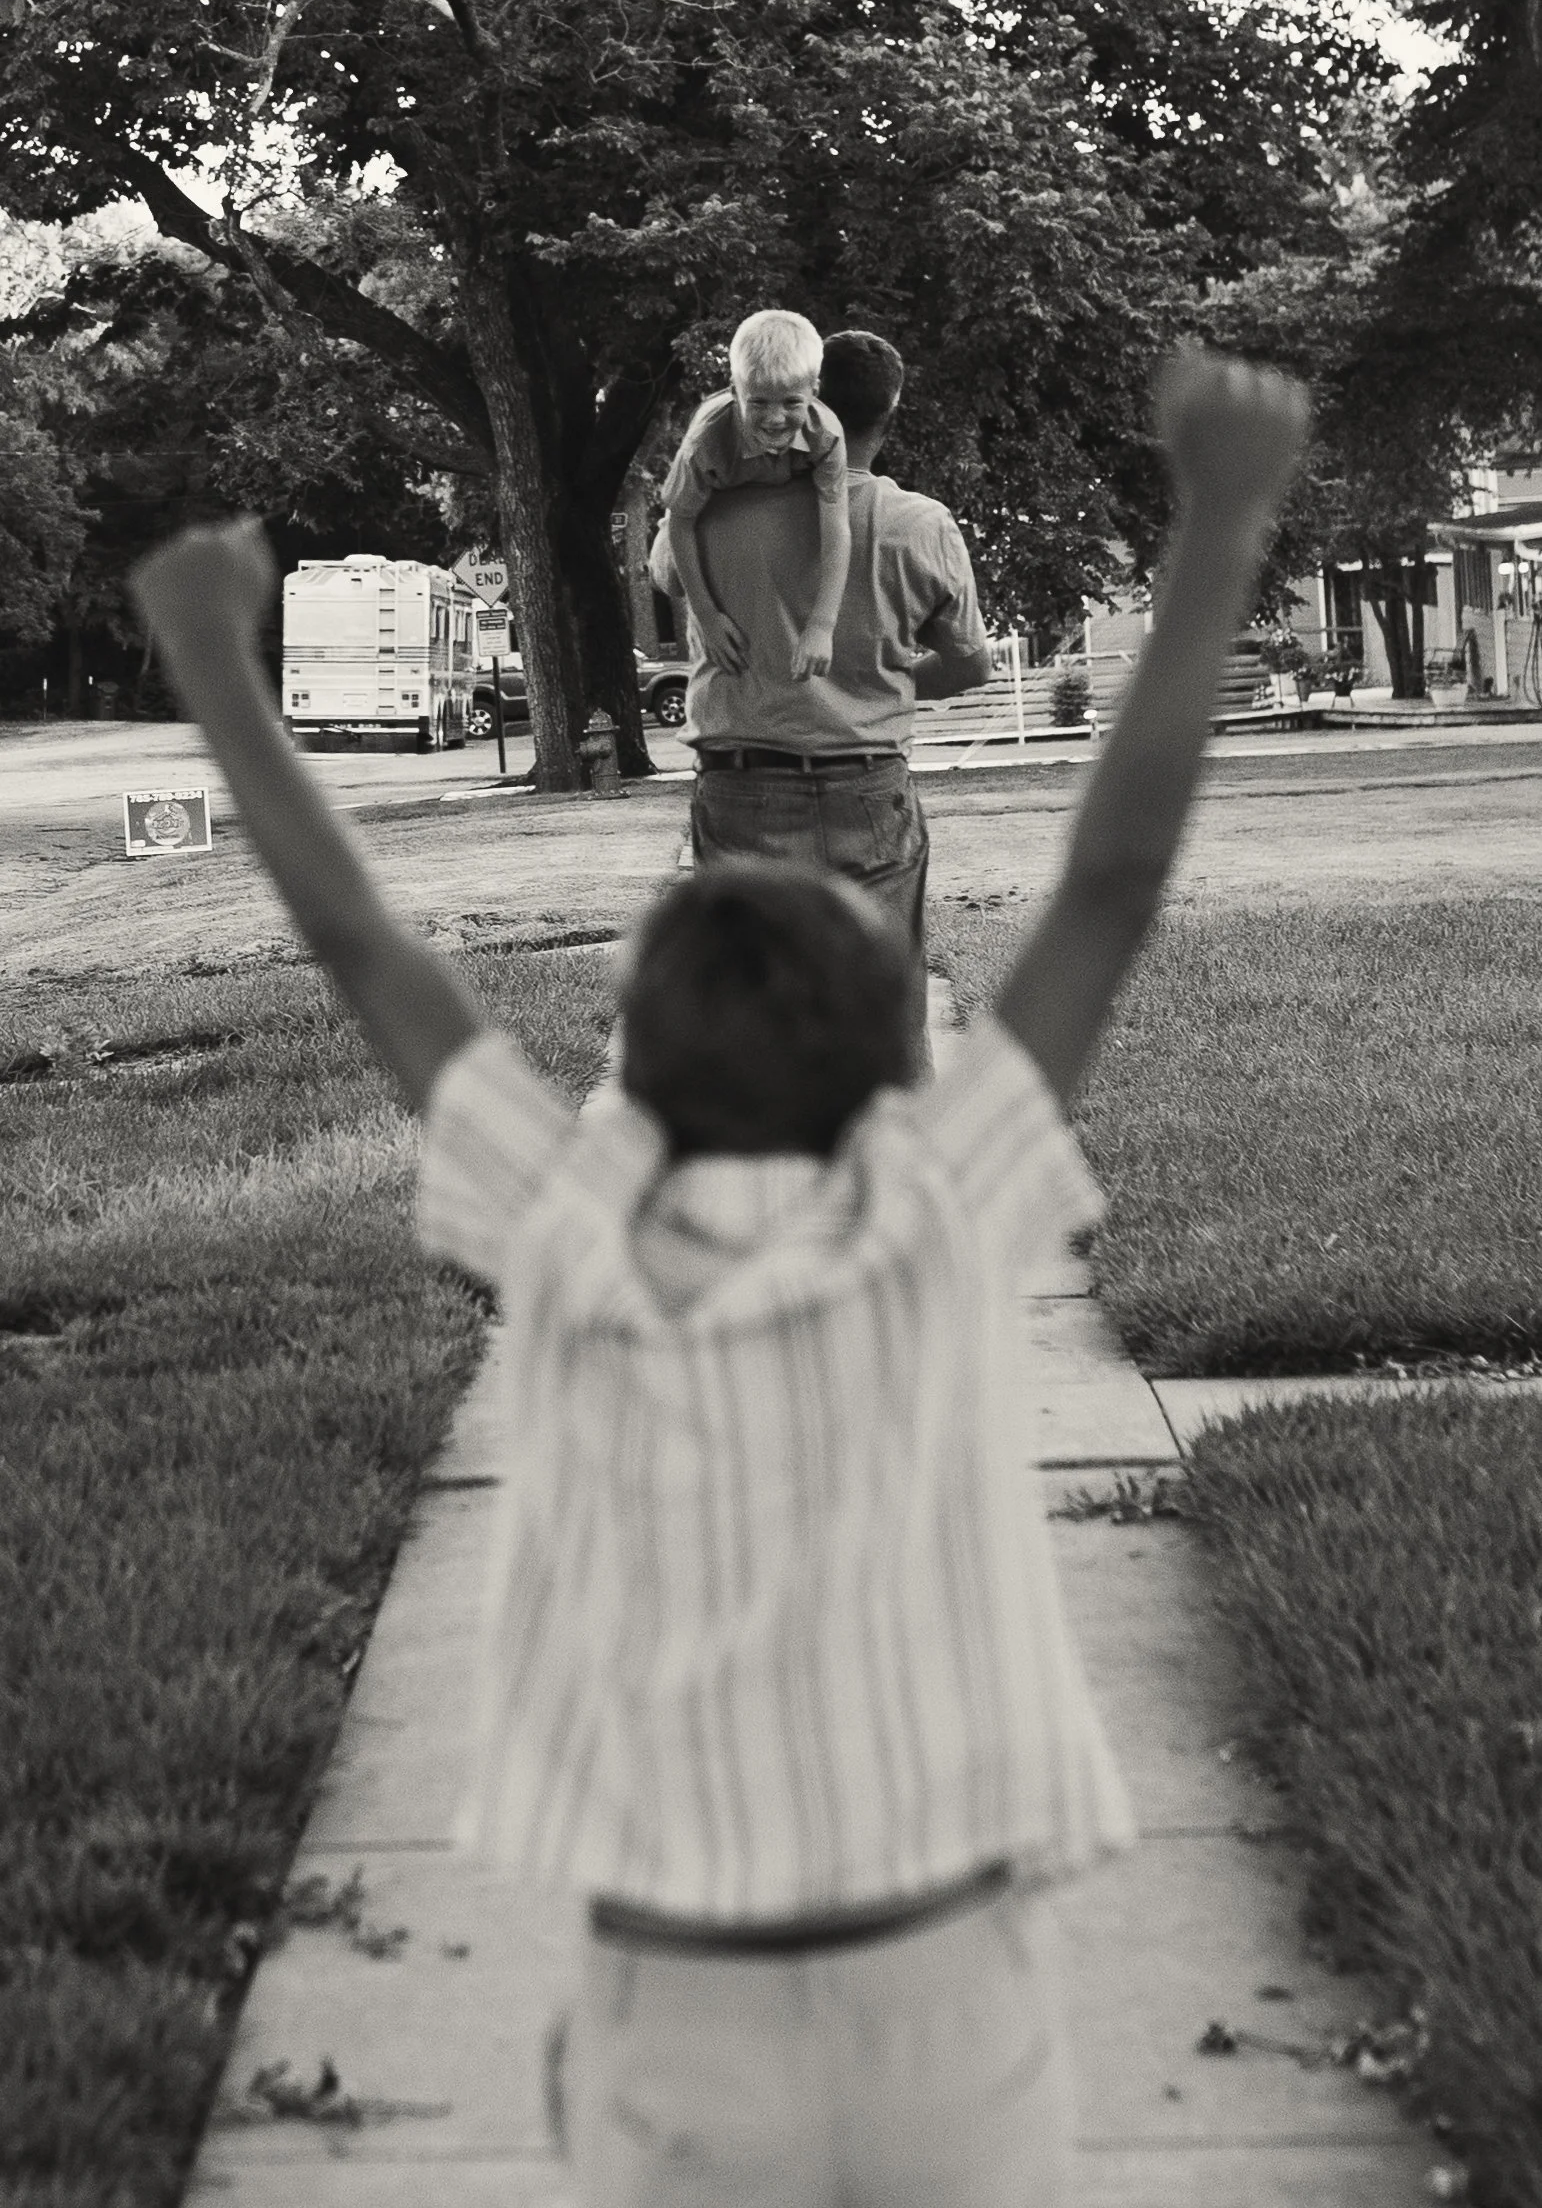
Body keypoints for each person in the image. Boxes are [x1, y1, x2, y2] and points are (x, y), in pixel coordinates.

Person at [128, 345, 1310, 2208]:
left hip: (673, 1991)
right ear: (885, 1073)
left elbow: (363, 946)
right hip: (949, 1980)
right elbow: (1109, 882)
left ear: (629, 1088)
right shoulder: (928, 1210)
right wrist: (1226, 508)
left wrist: (212, 662)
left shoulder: (575, 1231)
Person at [651, 327, 995, 1065]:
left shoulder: (714, 502)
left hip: (740, 784)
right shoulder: (921, 525)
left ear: (811, 406)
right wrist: (880, 680)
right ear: (889, 412)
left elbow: (661, 570)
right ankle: (893, 1163)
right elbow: (971, 665)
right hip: (867, 788)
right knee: (886, 1007)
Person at [663, 308, 851, 684]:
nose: (776, 418)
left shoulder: (825, 435)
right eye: (759, 402)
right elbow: (681, 523)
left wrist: (820, 625)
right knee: (666, 567)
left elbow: (837, 529)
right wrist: (704, 612)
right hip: (706, 496)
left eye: (792, 403)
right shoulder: (705, 444)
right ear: (735, 393)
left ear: (814, 392)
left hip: (775, 475)